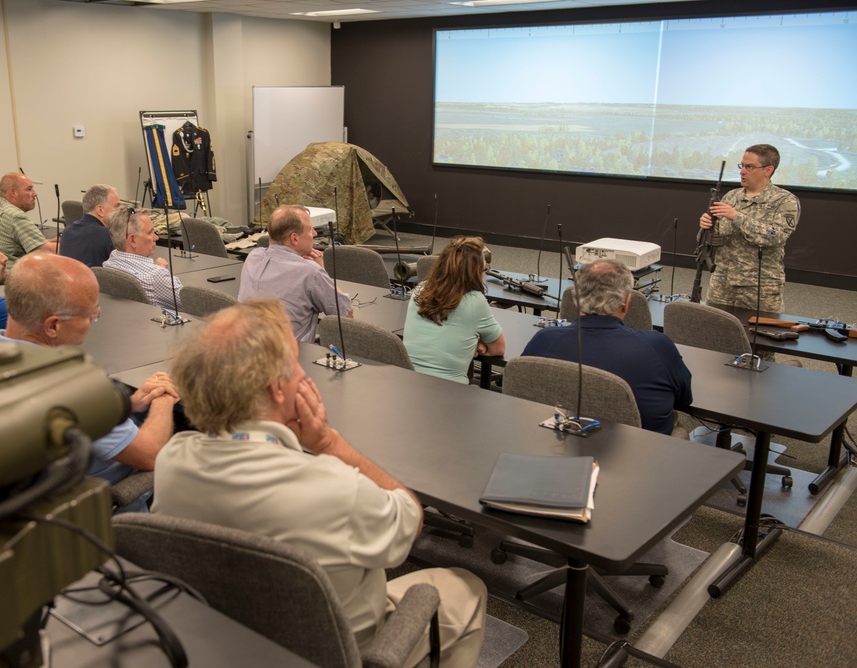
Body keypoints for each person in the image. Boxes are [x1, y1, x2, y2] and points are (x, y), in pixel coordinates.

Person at [152, 299, 486, 666]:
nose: (304, 376)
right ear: (278, 388)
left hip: (228, 642)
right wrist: (327, 442)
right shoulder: (335, 488)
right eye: (295, 364)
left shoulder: (172, 461)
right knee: (465, 587)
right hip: (341, 651)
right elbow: (410, 518)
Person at [0, 253, 179, 511]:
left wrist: (129, 404)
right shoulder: (71, 391)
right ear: (53, 326)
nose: (93, 320)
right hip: (98, 504)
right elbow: (151, 455)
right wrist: (164, 398)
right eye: (90, 314)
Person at [523, 259, 692, 435]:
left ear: (575, 300)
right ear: (626, 303)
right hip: (643, 456)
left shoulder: (544, 340)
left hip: (555, 446)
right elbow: (684, 400)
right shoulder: (658, 346)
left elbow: (522, 392)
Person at [699, 144, 800, 313]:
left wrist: (737, 217)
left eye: (749, 167)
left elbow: (776, 236)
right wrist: (705, 227)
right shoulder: (731, 197)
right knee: (714, 332)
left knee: (760, 337)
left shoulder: (784, 201)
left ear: (768, 170)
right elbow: (710, 239)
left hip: (759, 287)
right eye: (742, 166)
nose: (742, 171)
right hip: (722, 283)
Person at [238, 204, 352, 343]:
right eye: (310, 229)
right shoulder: (310, 272)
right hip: (291, 357)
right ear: (294, 238)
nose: (315, 234)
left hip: (249, 350)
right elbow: (346, 316)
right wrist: (321, 270)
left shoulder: (253, 257)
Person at [402, 236, 505, 384]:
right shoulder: (475, 301)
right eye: (484, 269)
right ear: (473, 273)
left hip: (408, 383)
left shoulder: (420, 289)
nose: (485, 274)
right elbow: (498, 349)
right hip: (450, 393)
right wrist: (475, 345)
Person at [103, 207, 183, 311]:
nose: (156, 237)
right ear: (132, 240)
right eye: (150, 233)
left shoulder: (109, 263)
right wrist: (160, 270)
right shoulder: (157, 277)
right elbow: (193, 306)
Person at [0, 172, 57, 270]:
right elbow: (47, 251)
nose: (35, 193)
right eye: (29, 189)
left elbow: (35, 244)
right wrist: (77, 243)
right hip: (9, 274)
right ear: (13, 193)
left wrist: (49, 241)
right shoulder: (14, 216)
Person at [59, 184, 121, 267]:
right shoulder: (107, 235)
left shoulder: (67, 231)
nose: (120, 211)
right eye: (116, 206)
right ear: (100, 210)